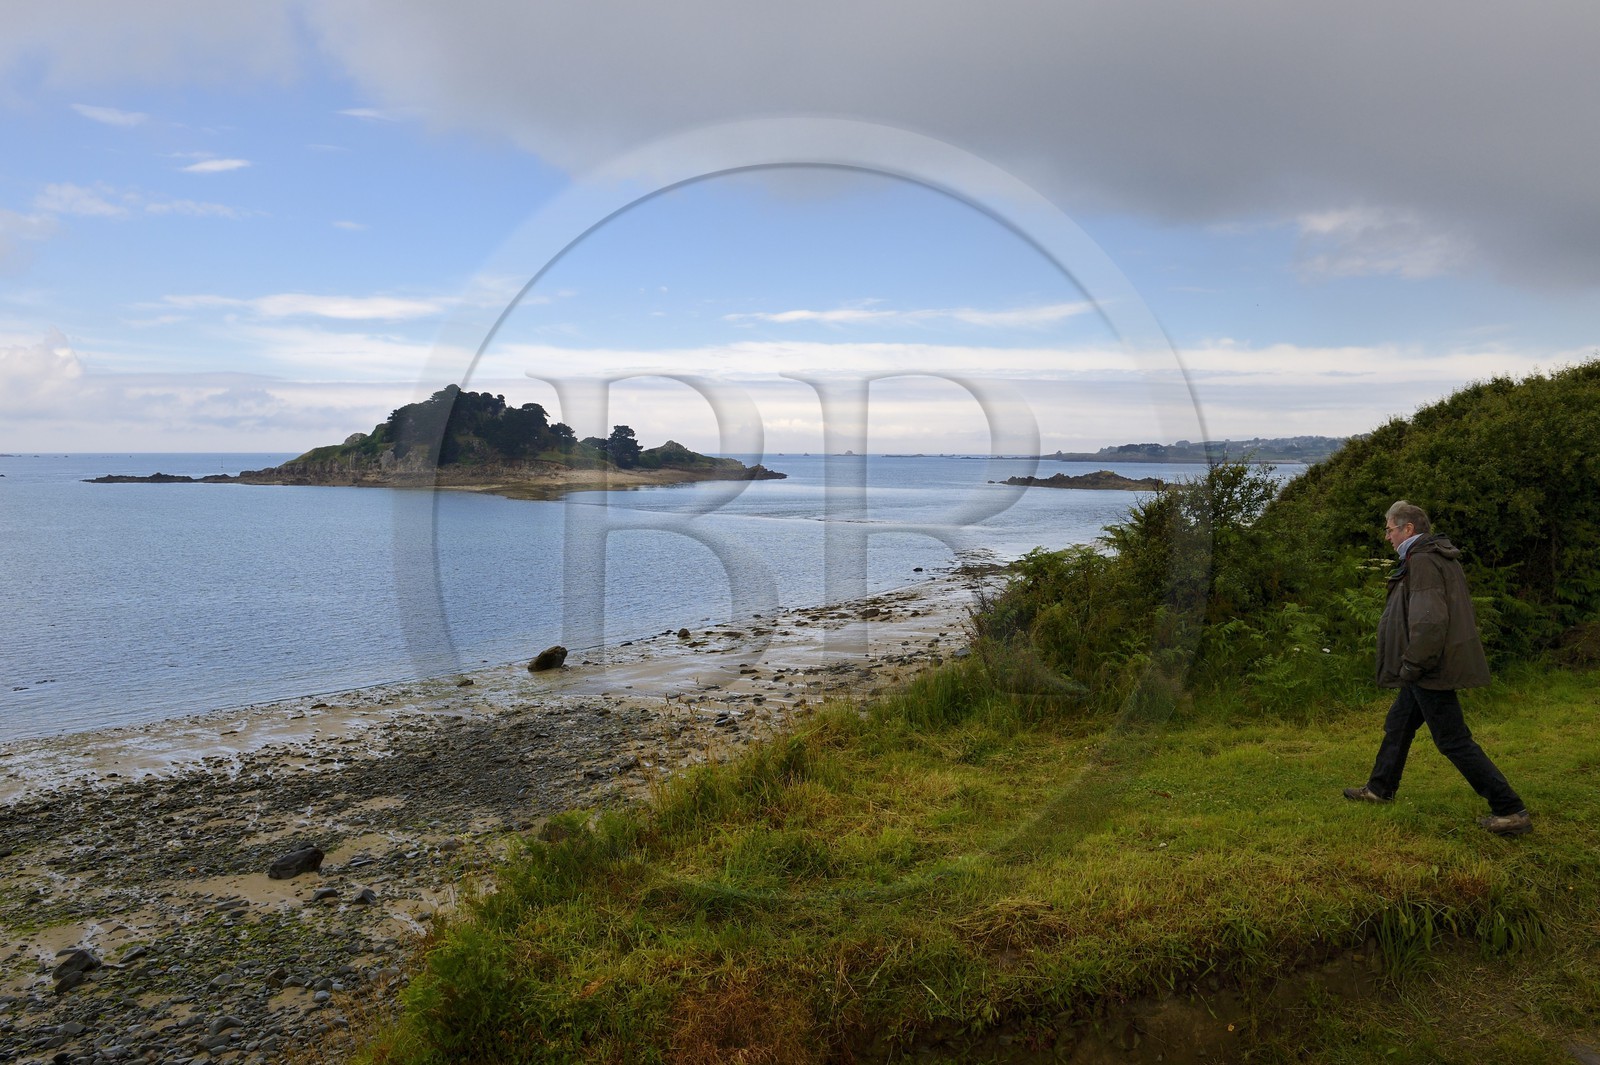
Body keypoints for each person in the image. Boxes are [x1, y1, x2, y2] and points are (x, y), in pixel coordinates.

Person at [1343, 501, 1531, 836]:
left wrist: (1413, 664)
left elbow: (1429, 621)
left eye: (1389, 529)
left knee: (1453, 740)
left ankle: (1509, 809)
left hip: (1429, 667)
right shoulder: (1432, 556)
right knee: (1399, 725)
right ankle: (1379, 789)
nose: (1387, 537)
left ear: (1408, 529)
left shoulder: (1425, 561)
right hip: (1426, 665)